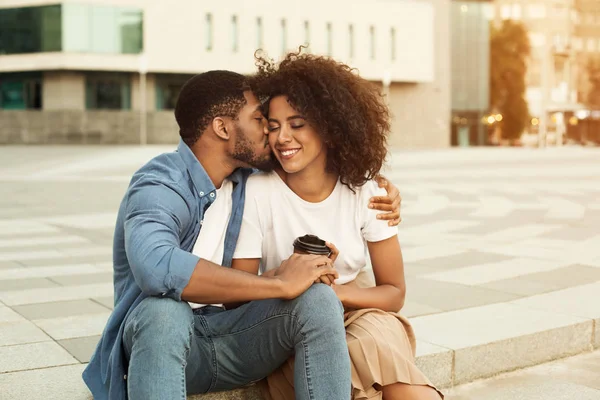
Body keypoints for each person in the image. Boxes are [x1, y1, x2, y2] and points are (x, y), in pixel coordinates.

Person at [82, 70, 402, 400]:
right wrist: (277, 283)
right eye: (259, 118)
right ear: (222, 128)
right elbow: (157, 268)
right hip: (167, 345)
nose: (269, 130)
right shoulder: (161, 184)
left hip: (241, 337)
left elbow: (316, 161)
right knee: (163, 312)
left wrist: (376, 186)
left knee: (319, 298)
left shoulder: (246, 176)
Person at [231, 52, 444, 400]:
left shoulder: (366, 192)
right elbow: (239, 295)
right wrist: (295, 282)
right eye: (273, 125)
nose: (283, 137)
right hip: (290, 325)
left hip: (360, 315)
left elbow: (394, 292)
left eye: (297, 124)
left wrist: (333, 295)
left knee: (372, 338)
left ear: (329, 127)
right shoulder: (258, 190)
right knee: (355, 352)